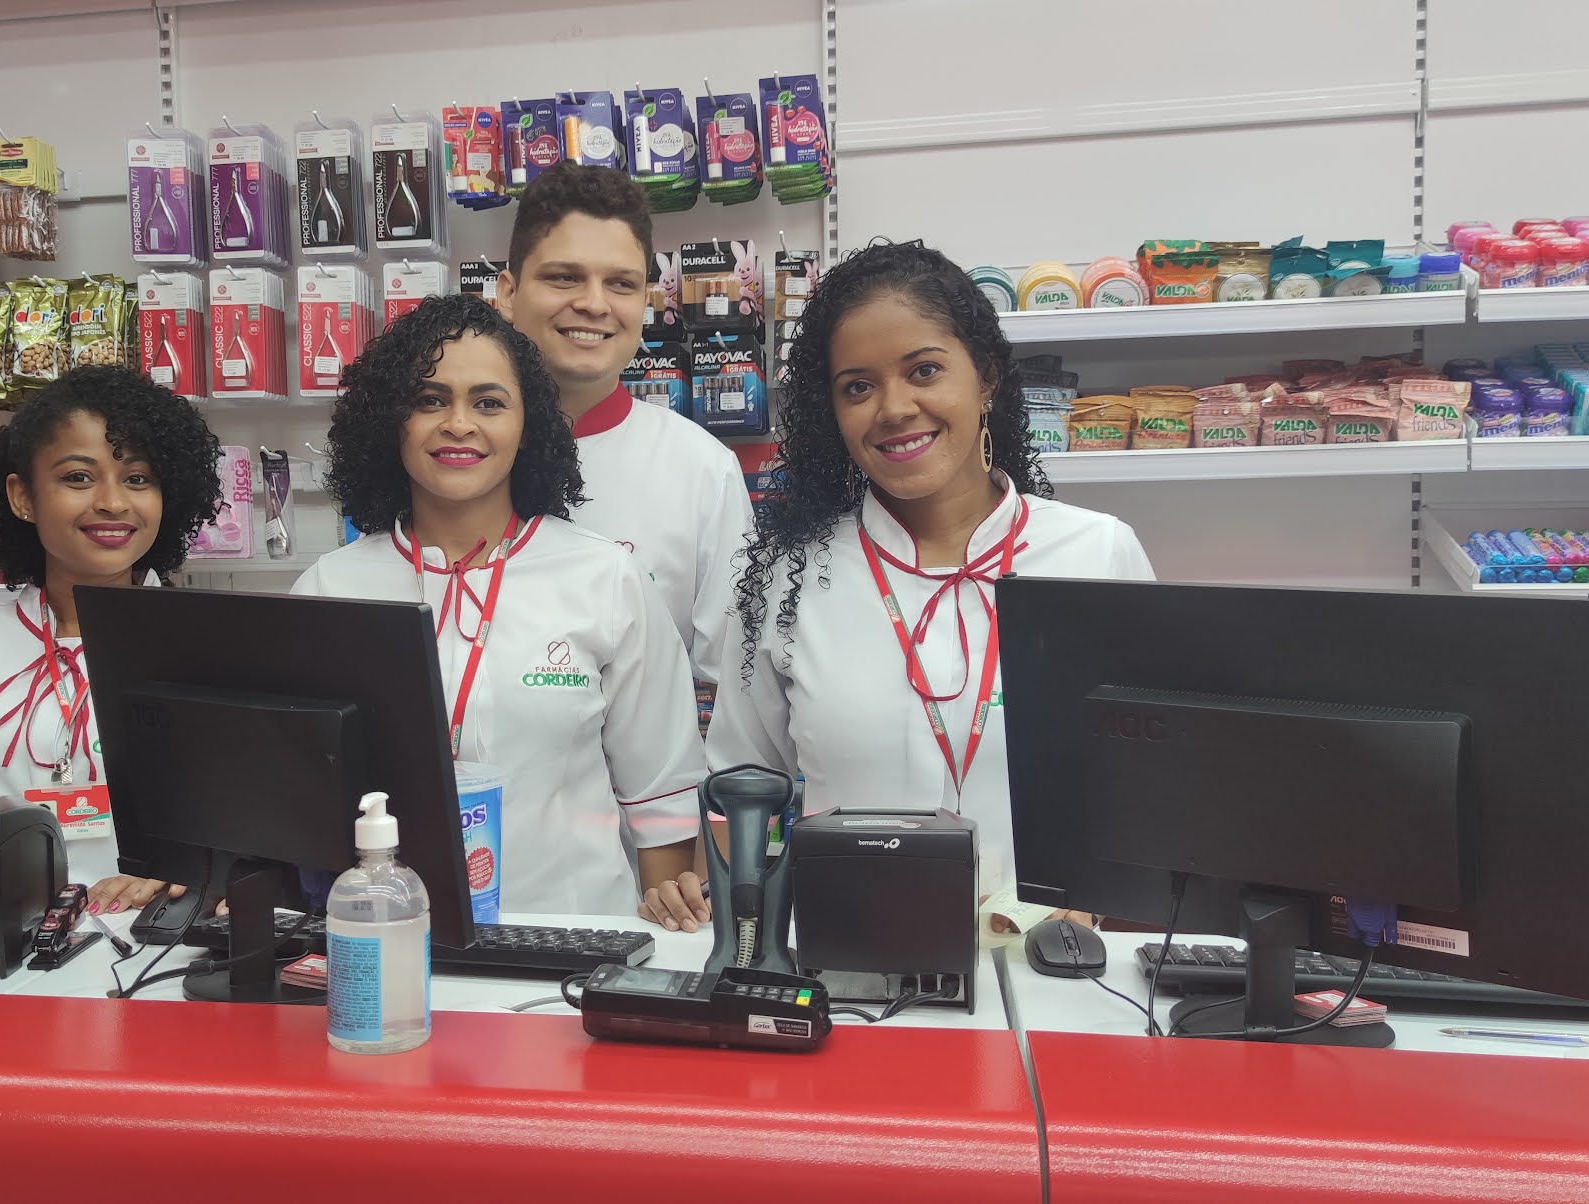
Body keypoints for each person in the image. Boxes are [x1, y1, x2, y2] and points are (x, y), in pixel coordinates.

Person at [676, 241, 1156, 936]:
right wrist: (723, 923)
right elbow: (738, 785)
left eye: (924, 370)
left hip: (1045, 968)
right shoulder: (790, 577)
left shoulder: (1097, 554)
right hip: (843, 964)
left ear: (986, 376)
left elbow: (1147, 788)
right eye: (857, 387)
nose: (894, 408)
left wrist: (1103, 904)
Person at [293, 293, 705, 917]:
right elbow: (294, 794)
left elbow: (660, 792)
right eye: (430, 400)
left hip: (575, 936)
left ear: (527, 424)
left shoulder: (605, 577)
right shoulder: (331, 589)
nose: (459, 424)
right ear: (389, 421)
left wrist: (665, 936)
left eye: (489, 402)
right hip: (386, 934)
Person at [0, 366, 222, 909]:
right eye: (78, 477)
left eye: (138, 479)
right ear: (22, 496)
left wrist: (191, 875)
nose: (113, 502)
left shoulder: (211, 644)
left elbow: (253, 839)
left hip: (156, 936)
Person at [495, 163, 755, 696]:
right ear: (507, 293)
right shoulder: (452, 456)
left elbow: (732, 687)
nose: (594, 304)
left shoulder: (703, 471)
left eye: (620, 283)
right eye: (564, 277)